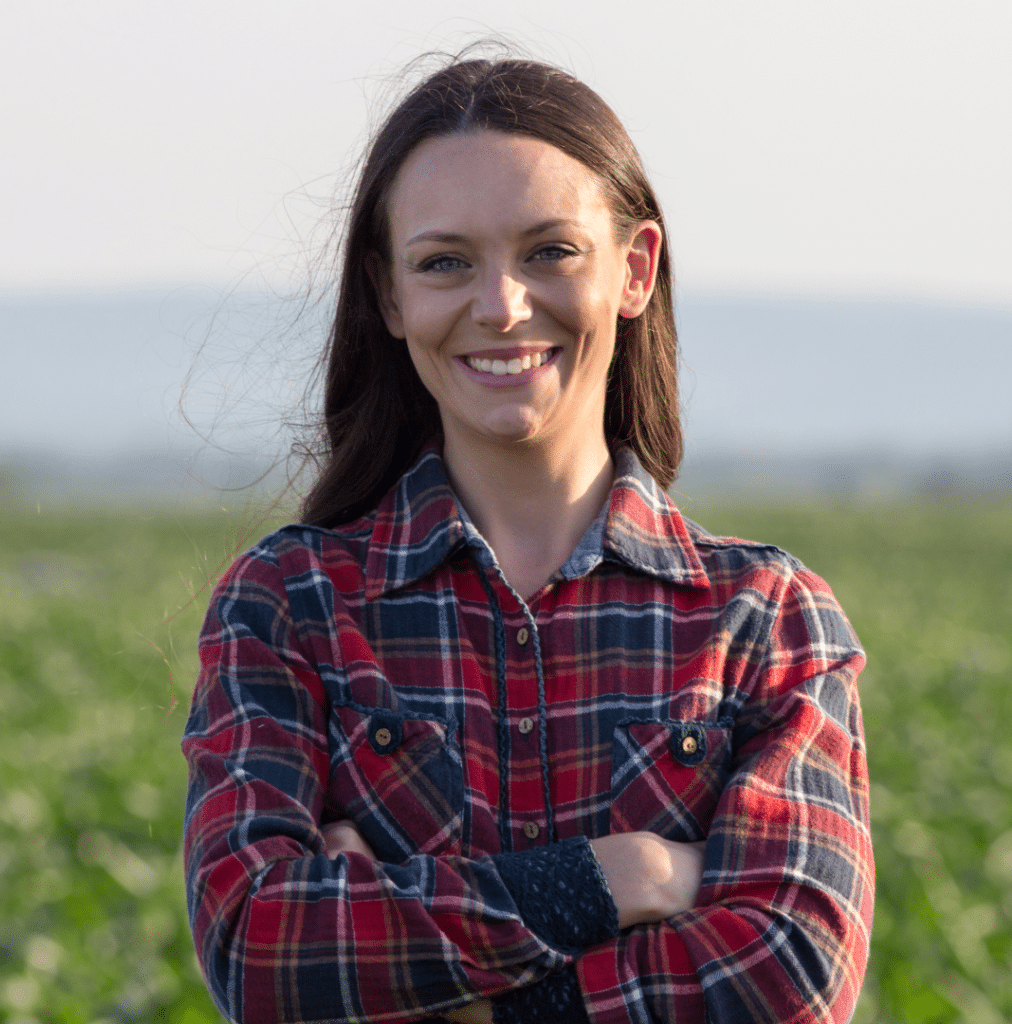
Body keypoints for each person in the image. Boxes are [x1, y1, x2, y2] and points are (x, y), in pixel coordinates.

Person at [182, 54, 874, 1024]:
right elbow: (256, 943)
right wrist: (613, 876)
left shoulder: (764, 619)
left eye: (549, 250)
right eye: (444, 261)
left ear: (633, 269)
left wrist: (463, 1001)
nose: (501, 306)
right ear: (389, 296)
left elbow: (789, 974)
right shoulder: (290, 604)